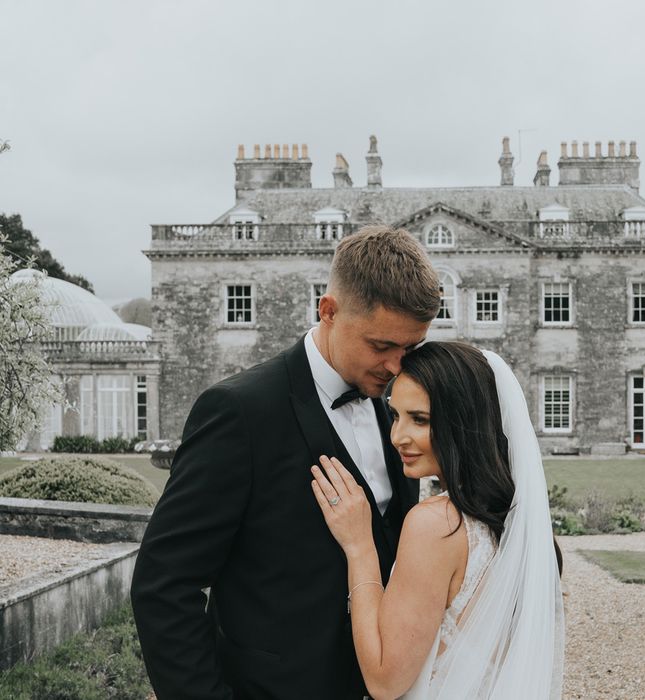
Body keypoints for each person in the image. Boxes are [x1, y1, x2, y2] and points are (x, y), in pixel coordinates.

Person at [130, 226, 442, 700]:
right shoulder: (238, 411)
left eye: (410, 349)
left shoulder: (396, 415)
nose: (398, 367)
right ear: (329, 311)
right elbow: (163, 585)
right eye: (381, 346)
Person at [311, 342, 564, 700]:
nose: (397, 437)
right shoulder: (511, 520)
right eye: (395, 415)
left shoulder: (436, 524)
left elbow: (385, 681)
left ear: (463, 422)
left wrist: (359, 546)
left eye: (420, 419)